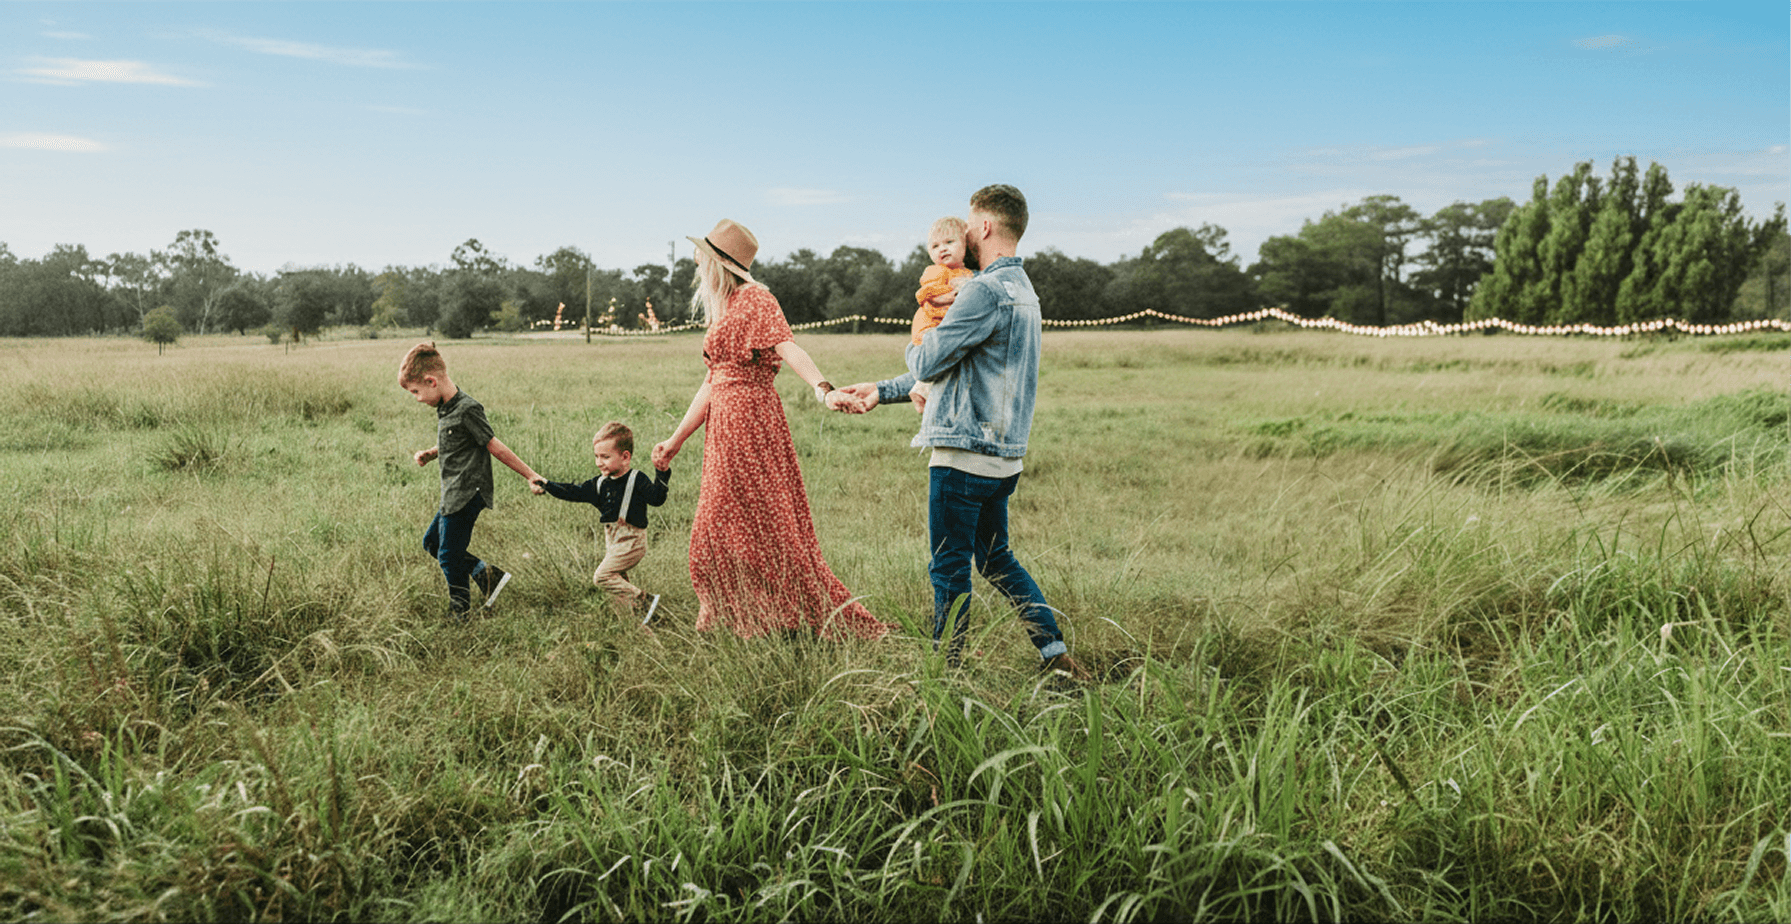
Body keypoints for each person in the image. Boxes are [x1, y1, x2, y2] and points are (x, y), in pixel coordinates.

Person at [837, 185, 1086, 678]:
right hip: (1004, 457)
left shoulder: (982, 290)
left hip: (962, 453)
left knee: (949, 569)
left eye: (970, 225)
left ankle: (945, 676)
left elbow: (930, 357)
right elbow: (959, 367)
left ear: (986, 227)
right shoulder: (1025, 292)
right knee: (996, 561)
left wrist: (918, 334)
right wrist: (882, 391)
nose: (965, 233)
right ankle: (1054, 655)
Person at [651, 219, 892, 641]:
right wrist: (674, 442)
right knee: (717, 527)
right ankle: (739, 616)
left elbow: (788, 345)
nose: (694, 262)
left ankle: (781, 617)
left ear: (718, 263)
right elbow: (712, 382)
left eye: (701, 256)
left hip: (751, 422)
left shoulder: (756, 298)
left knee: (760, 524)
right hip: (723, 424)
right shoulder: (724, 307)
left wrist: (823, 389)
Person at [400, 341, 543, 621]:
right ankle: (488, 577)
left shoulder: (467, 408)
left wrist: (530, 474)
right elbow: (458, 440)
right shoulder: (446, 408)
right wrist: (432, 453)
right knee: (432, 543)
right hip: (452, 492)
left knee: (448, 554)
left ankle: (460, 612)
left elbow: (493, 445)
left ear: (431, 381)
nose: (416, 398)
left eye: (416, 392)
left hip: (467, 492)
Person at [533, 421, 671, 624]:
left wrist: (662, 473)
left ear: (625, 457)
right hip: (613, 542)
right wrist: (548, 485)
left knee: (602, 577)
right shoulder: (599, 483)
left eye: (605, 457)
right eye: (597, 456)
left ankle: (646, 601)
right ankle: (640, 626)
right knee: (618, 592)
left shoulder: (637, 479)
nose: (599, 462)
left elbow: (657, 499)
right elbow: (574, 492)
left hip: (632, 542)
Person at [907, 215, 978, 408]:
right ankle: (920, 391)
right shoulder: (936, 271)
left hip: (943, 324)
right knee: (939, 356)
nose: (942, 249)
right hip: (929, 325)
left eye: (949, 242)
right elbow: (928, 293)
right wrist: (950, 296)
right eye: (935, 246)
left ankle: (922, 392)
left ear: (965, 245)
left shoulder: (967, 273)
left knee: (948, 360)